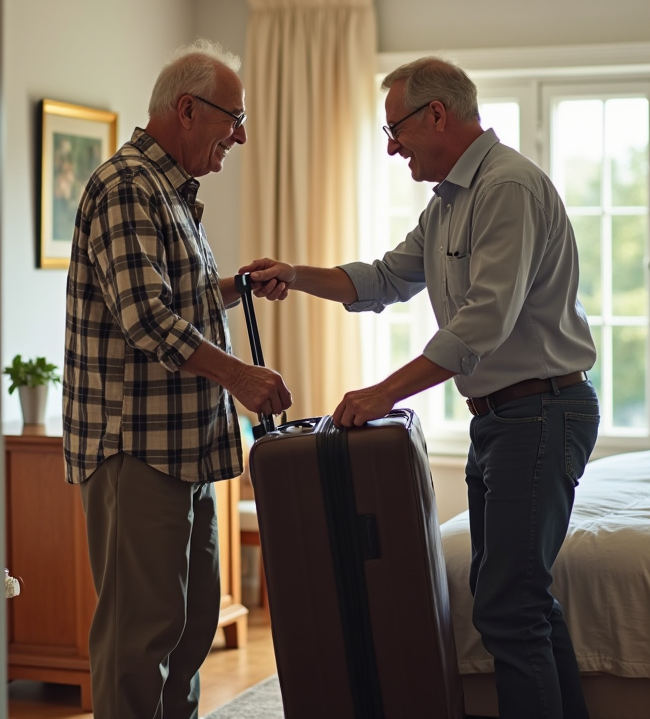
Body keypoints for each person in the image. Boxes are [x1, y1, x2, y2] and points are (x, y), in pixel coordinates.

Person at [242, 56, 599, 719]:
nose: (391, 145)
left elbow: (483, 322)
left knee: (508, 603)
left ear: (437, 113)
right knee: (521, 600)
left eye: (396, 128)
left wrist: (385, 393)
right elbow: (381, 279)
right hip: (500, 417)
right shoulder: (449, 207)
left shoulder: (508, 188)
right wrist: (295, 274)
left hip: (542, 412)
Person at [63, 38, 292, 719]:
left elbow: (174, 301)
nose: (241, 136)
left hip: (183, 450)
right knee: (141, 641)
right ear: (187, 110)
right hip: (136, 449)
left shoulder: (170, 192)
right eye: (234, 118)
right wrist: (241, 379)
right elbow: (146, 320)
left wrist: (235, 287)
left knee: (190, 630)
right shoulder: (126, 185)